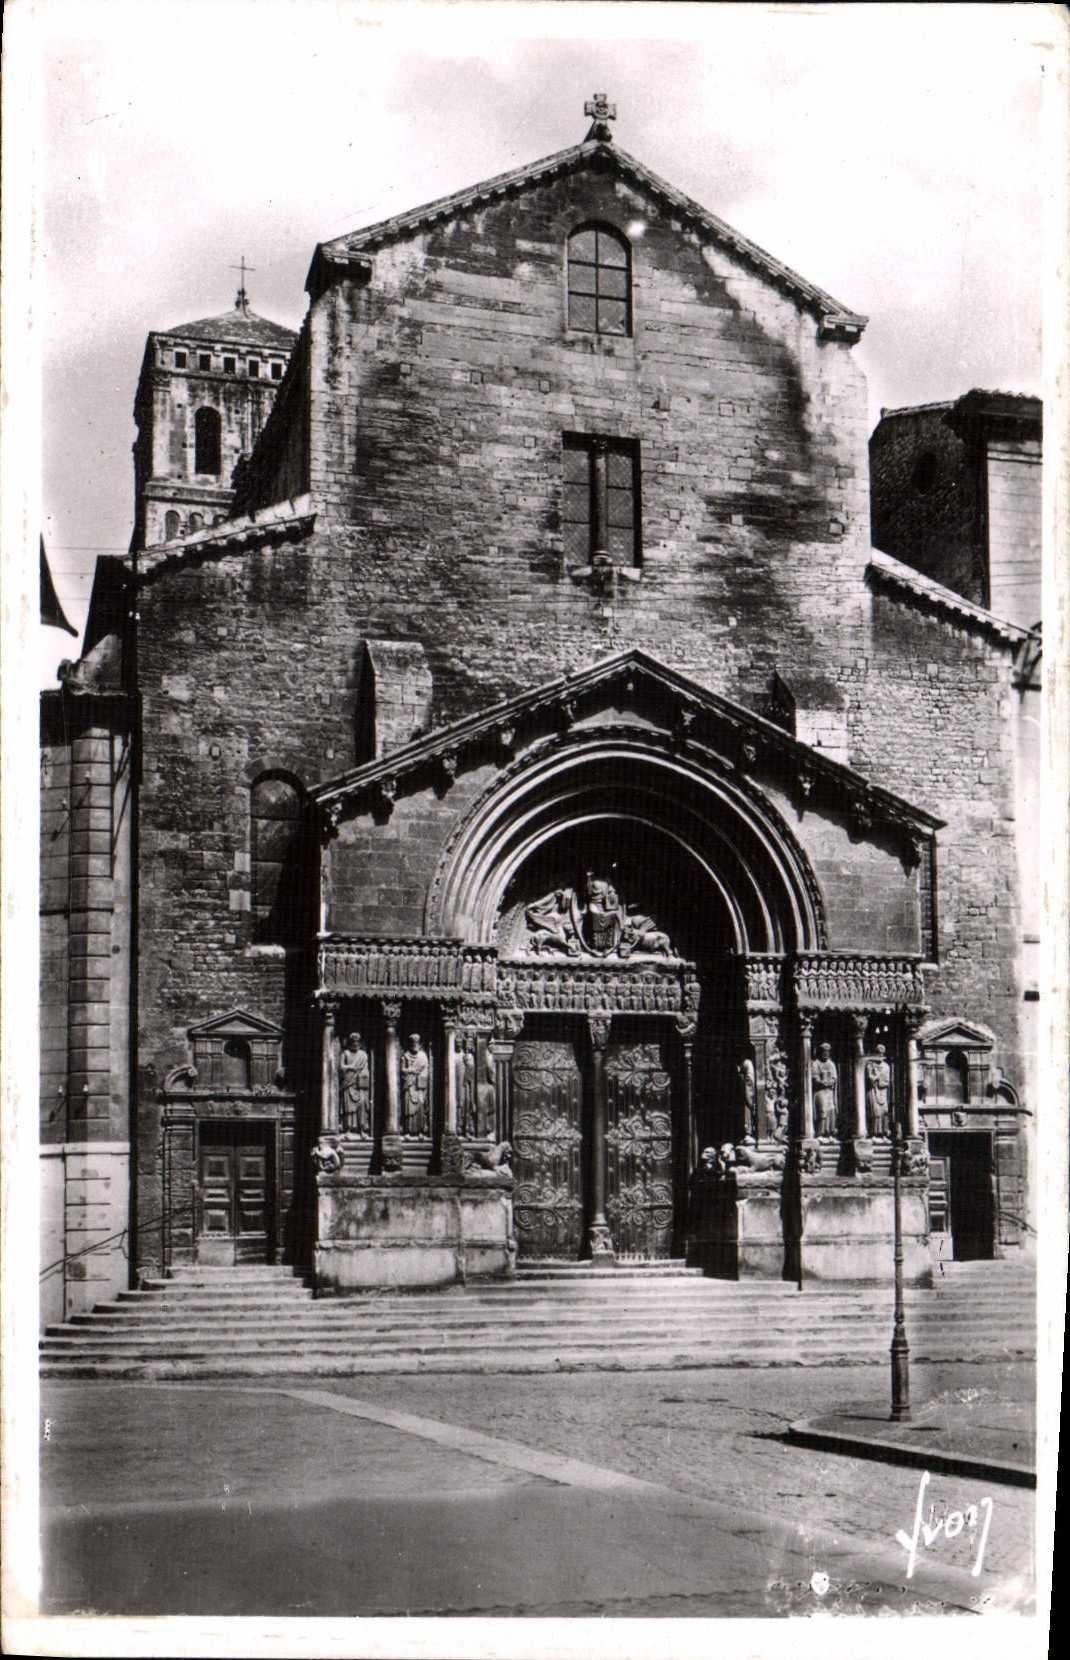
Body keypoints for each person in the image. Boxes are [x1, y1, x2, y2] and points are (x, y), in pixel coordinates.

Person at [339, 1031, 371, 1134]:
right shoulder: (345, 1053)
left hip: (359, 1084)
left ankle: (362, 1129)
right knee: (348, 1108)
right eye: (353, 1042)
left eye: (357, 1042)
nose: (355, 1043)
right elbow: (341, 1067)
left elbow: (365, 1069)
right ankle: (348, 1129)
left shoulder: (363, 1055)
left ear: (360, 1043)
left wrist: (362, 1074)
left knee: (361, 1104)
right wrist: (350, 1067)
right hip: (348, 1083)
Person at [400, 1033, 430, 1136]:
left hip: (419, 1085)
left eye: (416, 1042)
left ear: (419, 1043)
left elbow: (426, 1070)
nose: (415, 1044)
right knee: (409, 1108)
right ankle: (407, 1130)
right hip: (409, 1084)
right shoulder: (406, 1056)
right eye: (413, 1042)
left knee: (420, 1106)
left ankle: (420, 1131)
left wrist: (420, 1075)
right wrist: (411, 1070)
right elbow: (402, 1070)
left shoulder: (423, 1056)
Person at [811, 1042, 838, 1137]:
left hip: (829, 1091)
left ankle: (830, 1133)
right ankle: (820, 1133)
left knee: (831, 1110)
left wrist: (831, 1082)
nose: (825, 1053)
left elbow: (834, 1077)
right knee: (822, 1110)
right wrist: (821, 1082)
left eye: (827, 1051)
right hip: (820, 1091)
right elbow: (814, 1076)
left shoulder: (831, 1064)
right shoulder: (815, 1063)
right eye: (824, 1051)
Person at [865, 1044, 892, 1137]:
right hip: (873, 1091)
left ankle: (883, 1133)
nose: (880, 1055)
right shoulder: (870, 1065)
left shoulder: (886, 1066)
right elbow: (869, 1078)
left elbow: (887, 1081)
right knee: (874, 1112)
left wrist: (881, 1082)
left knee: (884, 1112)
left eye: (882, 1053)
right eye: (878, 1053)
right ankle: (873, 1134)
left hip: (883, 1092)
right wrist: (876, 1077)